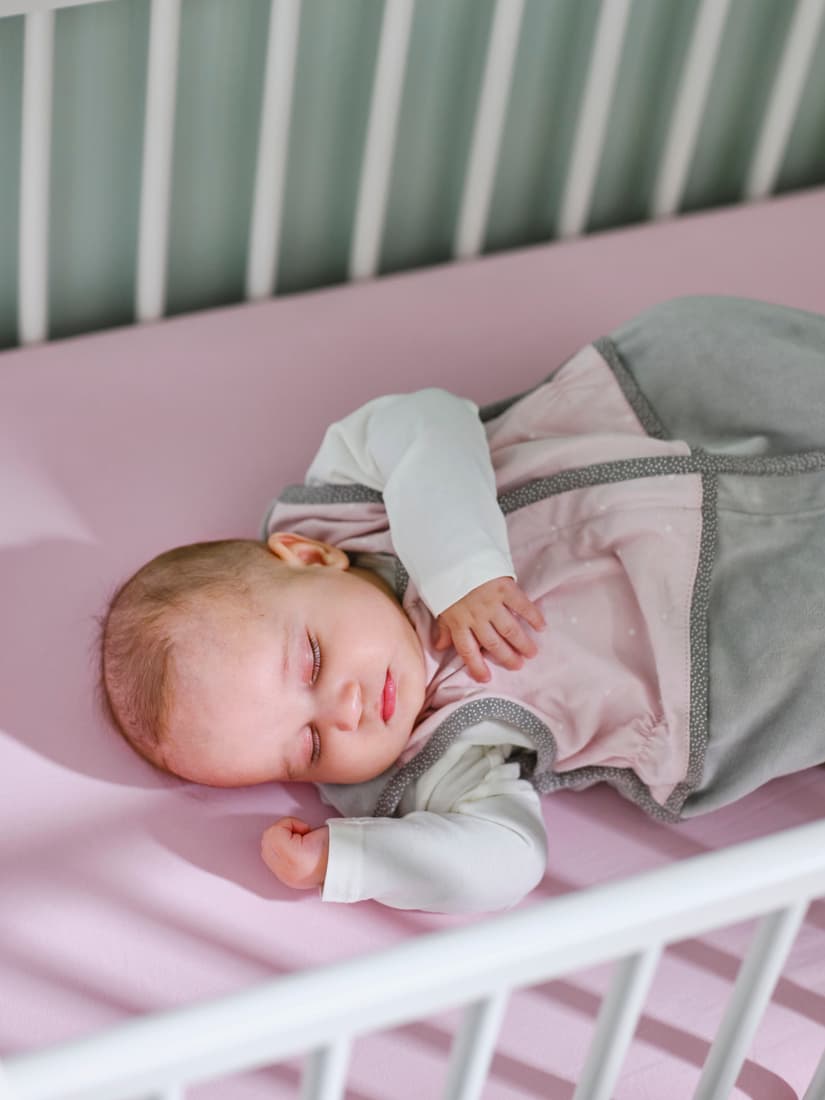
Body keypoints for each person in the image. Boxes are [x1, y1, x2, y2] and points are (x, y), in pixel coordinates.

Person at [100, 296, 825, 913]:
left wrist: (461, 571)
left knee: (704, 341)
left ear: (308, 558)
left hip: (669, 417)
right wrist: (351, 862)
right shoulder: (433, 761)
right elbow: (508, 859)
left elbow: (427, 420)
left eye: (313, 661)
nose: (345, 710)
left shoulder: (348, 514)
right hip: (726, 637)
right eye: (310, 747)